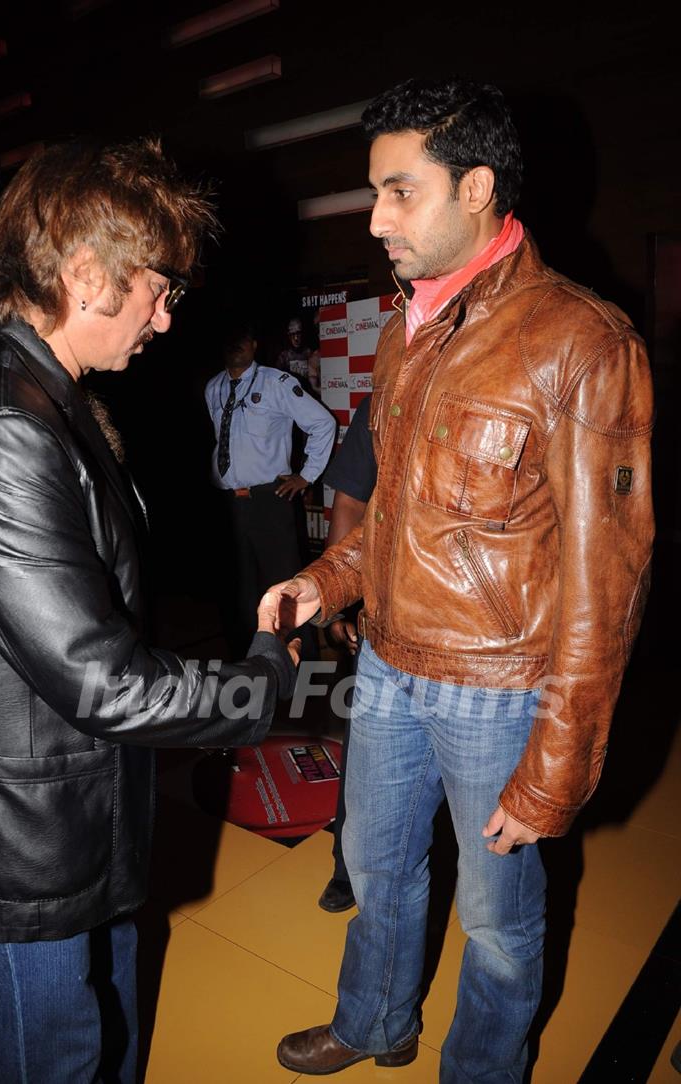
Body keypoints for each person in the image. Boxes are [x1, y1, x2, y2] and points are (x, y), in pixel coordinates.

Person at [270, 77, 654, 1081]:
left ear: (477, 186)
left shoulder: (583, 340)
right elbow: (388, 519)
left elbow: (606, 581)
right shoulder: (406, 335)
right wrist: (323, 580)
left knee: (496, 920)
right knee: (378, 872)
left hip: (500, 693)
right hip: (391, 668)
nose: (374, 217)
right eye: (372, 192)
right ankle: (376, 1019)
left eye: (399, 191)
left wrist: (558, 761)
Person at [0, 138, 298, 1084]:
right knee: (55, 1057)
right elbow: (101, 677)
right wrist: (260, 680)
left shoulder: (50, 394)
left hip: (79, 809)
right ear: (83, 273)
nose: (165, 314)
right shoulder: (4, 424)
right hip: (26, 841)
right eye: (160, 288)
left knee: (110, 1028)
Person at [205, 322, 335, 657]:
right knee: (240, 591)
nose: (236, 346)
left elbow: (323, 424)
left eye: (242, 339)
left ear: (254, 343)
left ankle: (303, 666)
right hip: (229, 505)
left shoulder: (276, 383)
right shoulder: (213, 387)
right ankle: (251, 664)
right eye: (229, 340)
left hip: (269, 500)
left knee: (286, 590)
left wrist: (306, 476)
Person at [318, 394, 376, 914]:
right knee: (362, 761)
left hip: (481, 639)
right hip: (385, 625)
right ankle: (347, 868)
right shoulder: (383, 402)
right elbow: (351, 500)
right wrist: (337, 602)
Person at [276, 315, 320, 391]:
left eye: (298, 333)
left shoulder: (310, 354)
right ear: (288, 335)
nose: (296, 338)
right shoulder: (284, 356)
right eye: (292, 334)